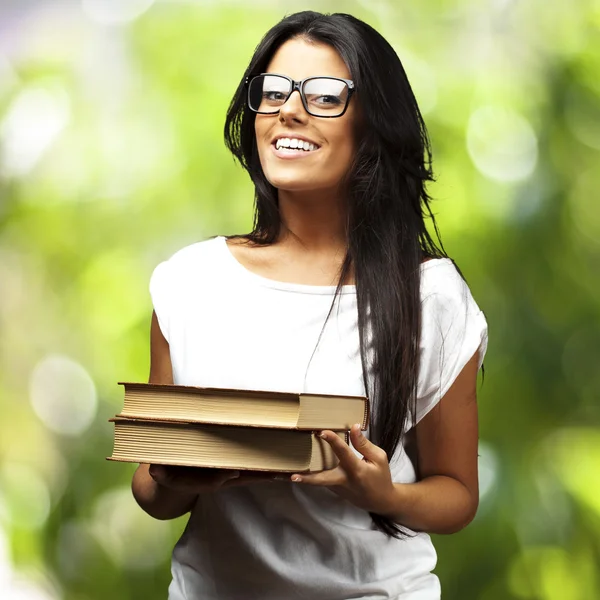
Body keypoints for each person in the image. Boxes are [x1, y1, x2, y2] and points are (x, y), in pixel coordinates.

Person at [131, 10, 488, 600]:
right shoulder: (189, 280)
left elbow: (457, 493)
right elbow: (152, 493)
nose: (288, 110)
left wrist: (383, 495)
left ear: (374, 124)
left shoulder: (429, 295)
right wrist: (175, 475)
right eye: (272, 92)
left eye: (325, 96)